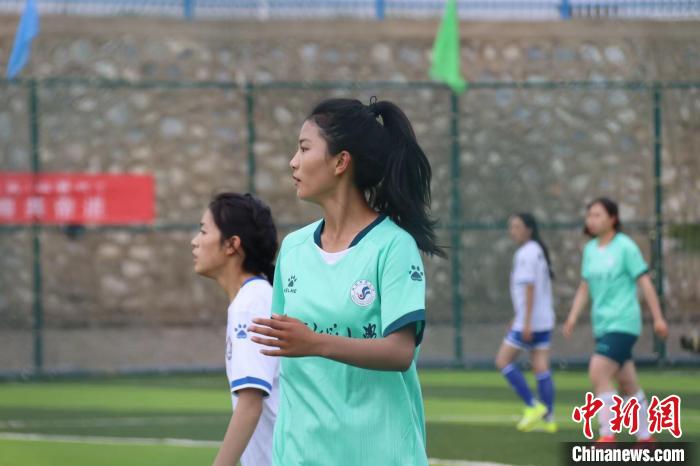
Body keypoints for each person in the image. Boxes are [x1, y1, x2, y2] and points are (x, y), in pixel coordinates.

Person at [249, 97, 445, 466]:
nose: (293, 161)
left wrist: (315, 342)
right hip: (300, 455)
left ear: (341, 162)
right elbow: (284, 348)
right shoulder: (293, 249)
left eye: (304, 148)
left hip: (380, 455)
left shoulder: (393, 246)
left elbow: (400, 352)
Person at [563, 197, 669, 443]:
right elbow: (584, 287)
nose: (591, 220)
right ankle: (645, 437)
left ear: (613, 219)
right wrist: (572, 316)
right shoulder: (590, 250)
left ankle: (607, 436)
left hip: (624, 322)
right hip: (602, 324)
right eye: (589, 215)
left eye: (598, 215)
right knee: (627, 382)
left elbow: (645, 282)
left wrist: (658, 318)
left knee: (598, 371)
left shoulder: (625, 247)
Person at [191, 192, 279, 466]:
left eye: (203, 231)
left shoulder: (250, 305)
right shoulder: (256, 298)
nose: (194, 241)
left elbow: (250, 403)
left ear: (232, 244)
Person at [495, 213, 557, 433]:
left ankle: (532, 405)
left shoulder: (525, 253)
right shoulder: (537, 250)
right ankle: (549, 419)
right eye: (511, 227)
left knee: (503, 361)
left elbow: (529, 288)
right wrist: (519, 316)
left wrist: (526, 321)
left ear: (529, 229)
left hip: (530, 321)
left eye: (517, 226)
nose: (513, 231)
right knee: (541, 366)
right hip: (544, 319)